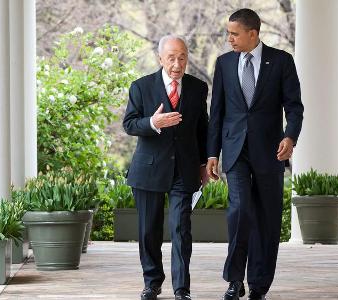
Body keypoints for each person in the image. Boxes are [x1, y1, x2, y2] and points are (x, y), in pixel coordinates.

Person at [206, 8, 304, 300]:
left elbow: (295, 106)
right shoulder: (224, 64)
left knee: (267, 217)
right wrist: (212, 153)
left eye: (234, 34)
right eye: (228, 33)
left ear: (253, 34)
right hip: (235, 151)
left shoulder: (282, 61)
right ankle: (235, 280)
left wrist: (290, 136)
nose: (230, 39)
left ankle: (259, 285)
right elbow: (217, 112)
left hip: (270, 151)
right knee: (239, 211)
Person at [123, 35, 208, 300]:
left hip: (185, 170)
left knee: (181, 229)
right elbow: (129, 124)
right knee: (149, 230)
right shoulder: (141, 87)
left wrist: (204, 163)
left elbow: (202, 128)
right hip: (148, 170)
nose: (177, 63)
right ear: (160, 58)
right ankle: (152, 283)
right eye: (171, 57)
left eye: (182, 57)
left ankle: (182, 289)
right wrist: (153, 122)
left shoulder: (197, 87)